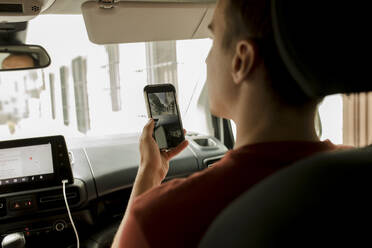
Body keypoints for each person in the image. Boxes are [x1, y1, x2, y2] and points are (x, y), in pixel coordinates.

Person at [111, 0, 345, 247]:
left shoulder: (160, 217)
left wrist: (148, 176)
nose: (206, 60)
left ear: (241, 60)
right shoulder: (358, 173)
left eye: (212, 41)